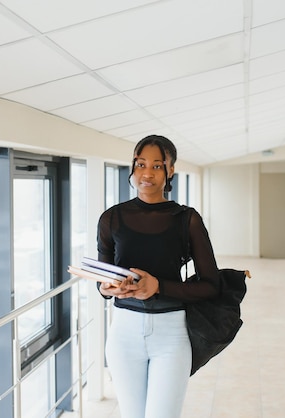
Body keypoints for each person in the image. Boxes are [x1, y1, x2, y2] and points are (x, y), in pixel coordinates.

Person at [97, 134, 221, 418]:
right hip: (124, 332)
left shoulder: (187, 219)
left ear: (170, 170)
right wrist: (109, 288)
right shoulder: (111, 218)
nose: (147, 173)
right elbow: (102, 284)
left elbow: (211, 286)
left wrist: (158, 286)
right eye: (140, 164)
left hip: (171, 335)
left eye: (156, 166)